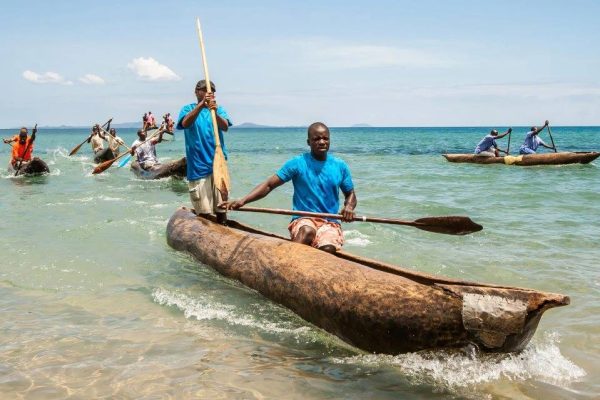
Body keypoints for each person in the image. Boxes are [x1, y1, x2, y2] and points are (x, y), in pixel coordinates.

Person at [221, 122, 357, 253]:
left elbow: (350, 193)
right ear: (308, 142)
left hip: (330, 222)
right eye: (316, 139)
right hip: (304, 220)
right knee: (307, 232)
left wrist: (349, 207)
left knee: (328, 249)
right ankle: (291, 261)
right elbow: (269, 185)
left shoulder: (340, 166)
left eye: (325, 138)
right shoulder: (297, 163)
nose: (322, 142)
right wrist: (243, 201)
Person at [177, 79, 233, 225]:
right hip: (198, 167)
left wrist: (214, 112)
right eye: (205, 90)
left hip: (217, 165)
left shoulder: (218, 109)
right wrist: (202, 105)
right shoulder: (187, 109)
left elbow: (225, 126)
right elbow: (185, 123)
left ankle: (224, 230)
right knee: (204, 213)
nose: (210, 93)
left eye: (212, 90)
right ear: (196, 92)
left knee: (222, 209)